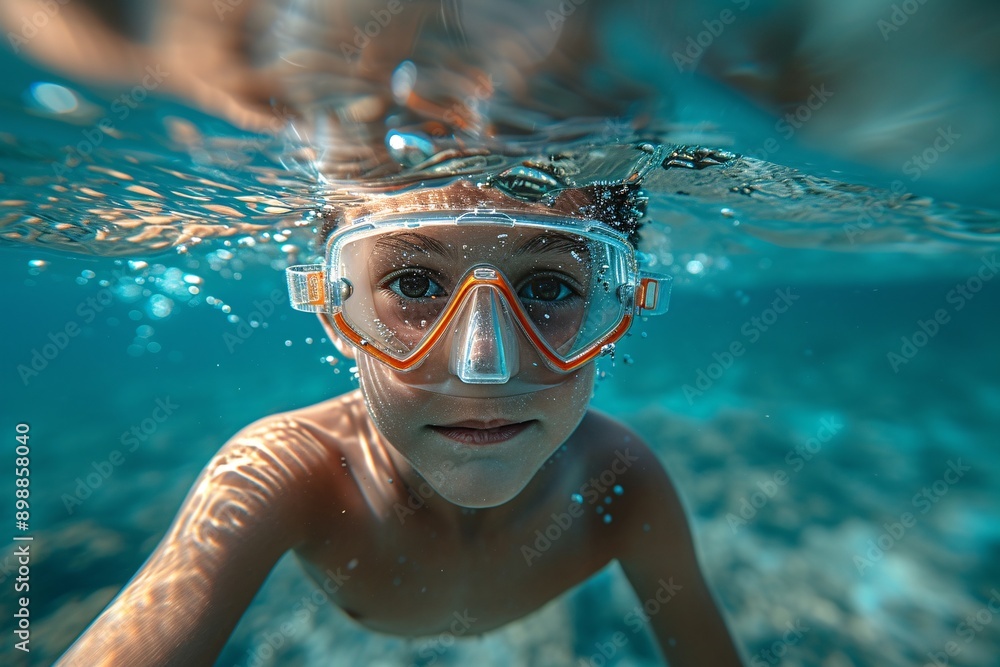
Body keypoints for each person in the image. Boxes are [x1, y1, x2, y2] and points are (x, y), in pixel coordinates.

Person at [56, 173, 746, 666]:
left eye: (548, 288)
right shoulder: (286, 470)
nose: (485, 364)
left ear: (613, 316)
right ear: (336, 313)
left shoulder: (620, 481)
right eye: (415, 284)